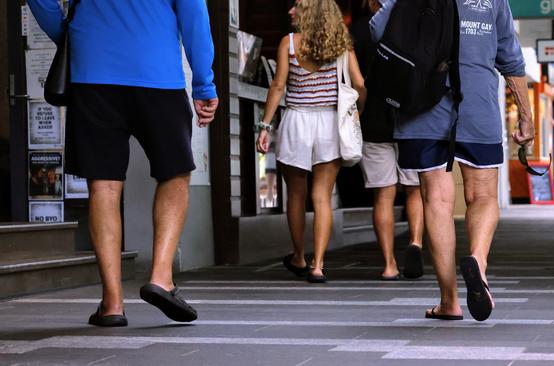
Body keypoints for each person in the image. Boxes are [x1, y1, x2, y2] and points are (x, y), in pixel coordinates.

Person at [28, 0, 218, 326]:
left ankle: (112, 303)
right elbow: (194, 14)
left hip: (93, 71)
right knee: (174, 172)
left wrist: (72, 35)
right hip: (157, 73)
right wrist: (203, 83)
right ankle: (161, 276)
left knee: (104, 183)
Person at [371, 0, 533, 321]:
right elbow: (511, 58)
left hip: (423, 106)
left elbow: (378, 29)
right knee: (483, 194)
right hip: (479, 104)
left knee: (437, 199)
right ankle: (478, 262)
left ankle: (449, 301)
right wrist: (526, 116)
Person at [256, 0, 366, 283]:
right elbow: (360, 84)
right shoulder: (341, 45)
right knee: (322, 196)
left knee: (296, 194)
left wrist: (265, 126)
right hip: (330, 123)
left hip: (296, 121)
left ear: (310, 12)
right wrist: (357, 113)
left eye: (297, 7)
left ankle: (299, 256)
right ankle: (318, 265)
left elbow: (278, 86)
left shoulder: (289, 44)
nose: (290, 11)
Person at [350, 0, 425, 280]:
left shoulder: (357, 32)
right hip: (411, 118)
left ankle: (389, 264)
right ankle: (415, 241)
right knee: (415, 190)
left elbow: (355, 81)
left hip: (374, 120)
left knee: (384, 194)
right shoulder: (415, 29)